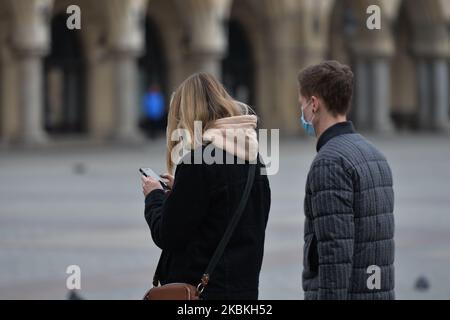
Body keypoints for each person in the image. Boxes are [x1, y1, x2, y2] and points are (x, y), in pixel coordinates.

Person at [141, 72, 271, 300]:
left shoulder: (198, 161)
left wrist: (154, 196)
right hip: (244, 293)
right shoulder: (254, 159)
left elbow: (168, 235)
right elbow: (237, 214)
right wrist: (181, 190)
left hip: (204, 293)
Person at [298, 61, 395, 300]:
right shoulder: (375, 155)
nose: (300, 111)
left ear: (314, 104)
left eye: (301, 104)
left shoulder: (329, 162)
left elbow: (334, 253)